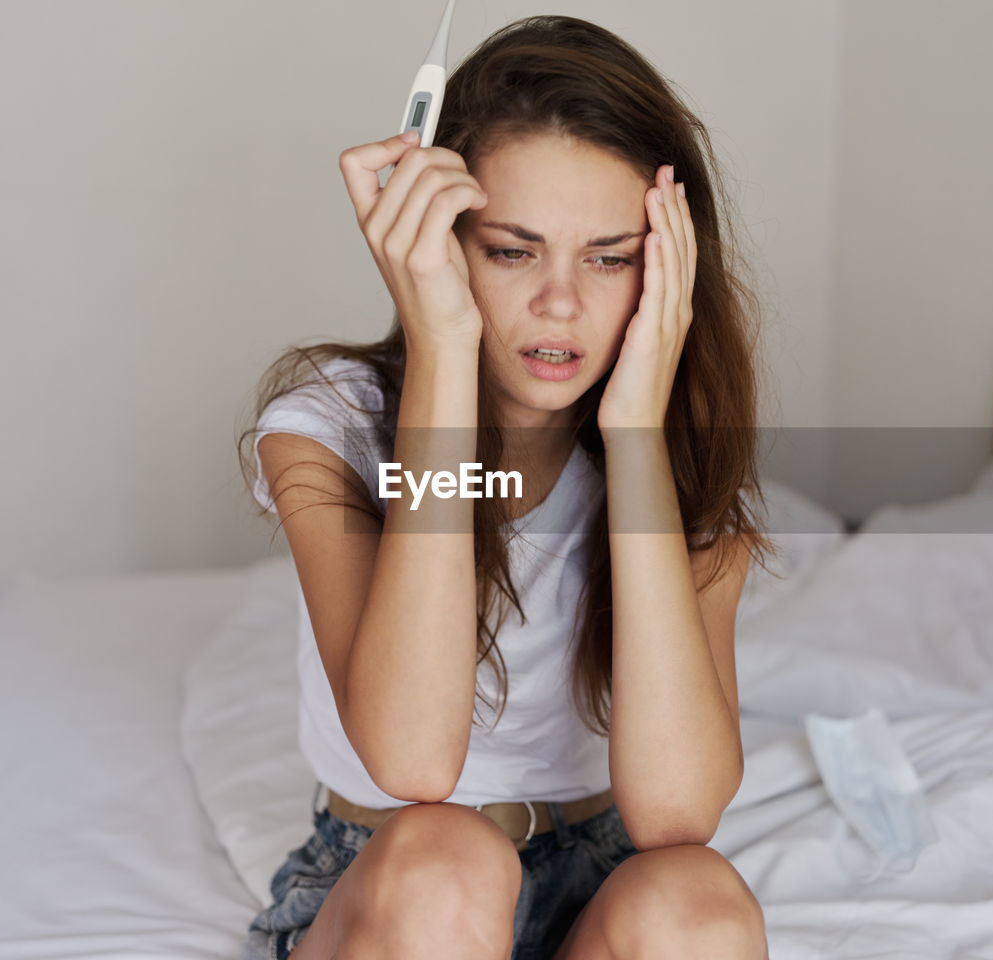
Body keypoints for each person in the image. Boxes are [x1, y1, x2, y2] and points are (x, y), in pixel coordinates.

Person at [237, 14, 773, 960]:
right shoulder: (327, 425)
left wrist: (639, 439)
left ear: (668, 270)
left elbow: (677, 812)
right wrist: (443, 341)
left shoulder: (681, 457)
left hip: (598, 878)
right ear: (441, 242)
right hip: (397, 884)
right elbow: (411, 761)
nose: (559, 304)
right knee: (451, 859)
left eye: (609, 257)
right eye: (511, 251)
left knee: (699, 903)